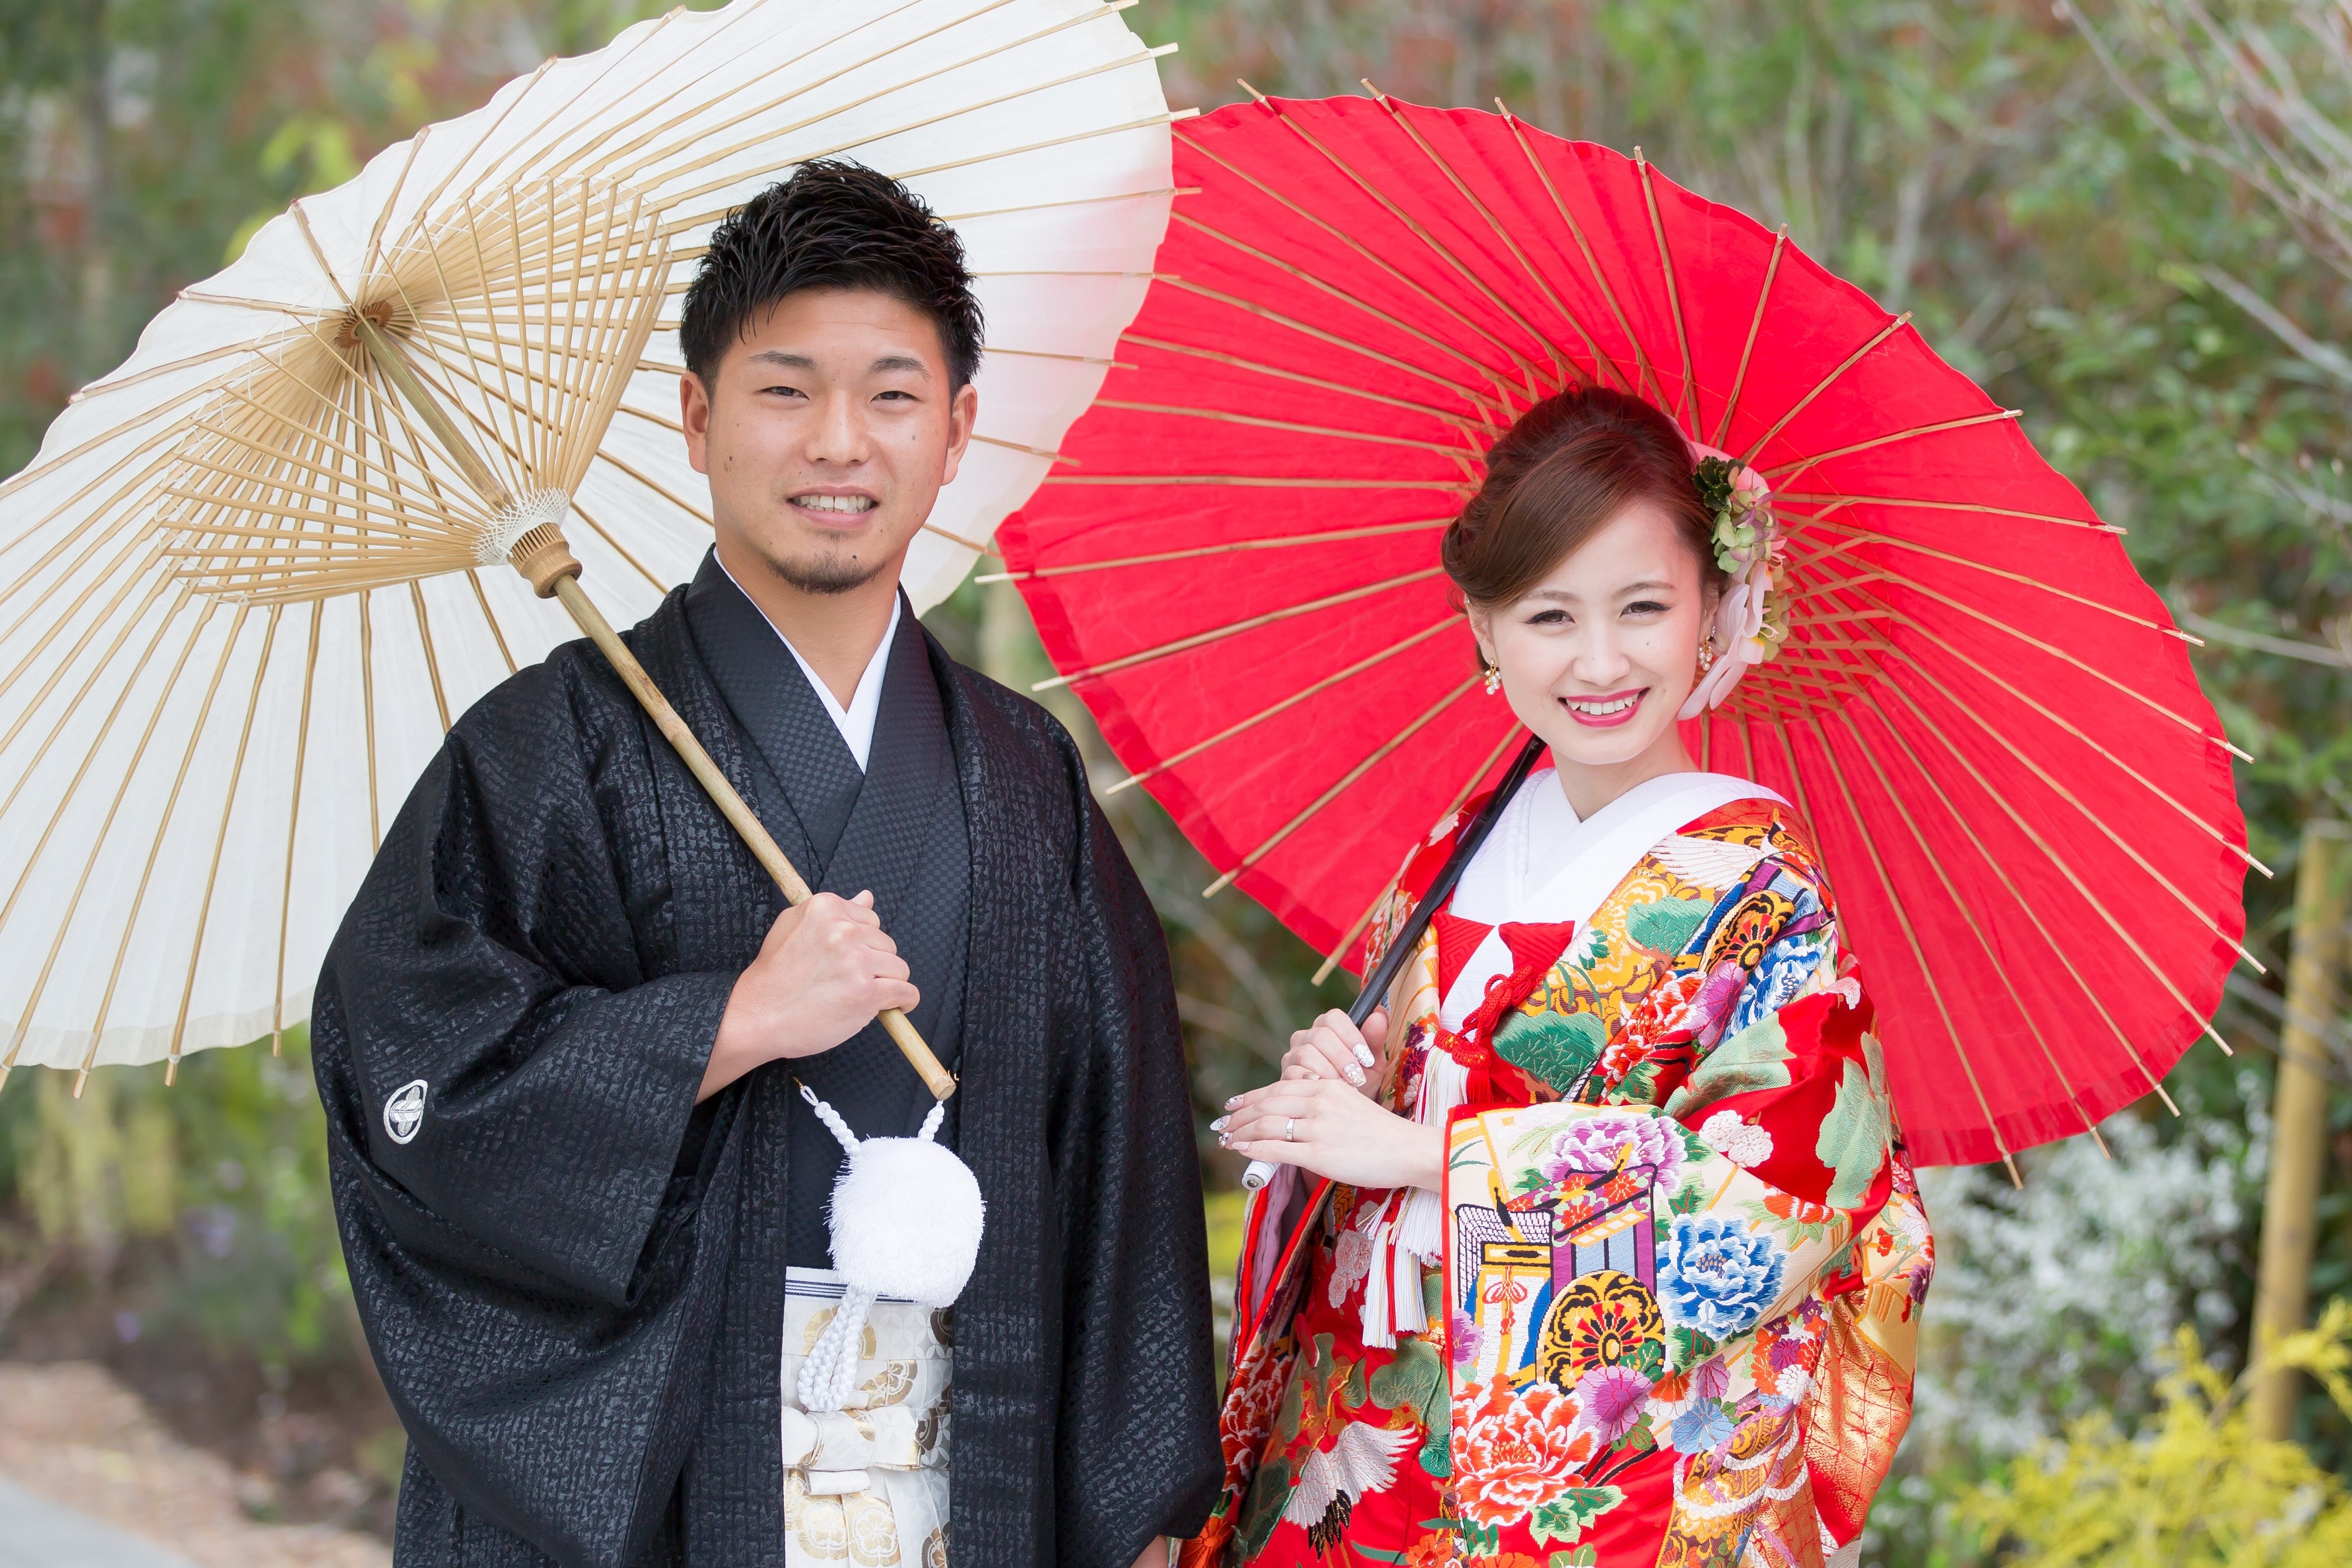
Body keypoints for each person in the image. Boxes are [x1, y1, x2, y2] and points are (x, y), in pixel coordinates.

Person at [311, 161, 1219, 1568]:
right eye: (785, 390)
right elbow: (415, 1091)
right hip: (676, 1483)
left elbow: (1121, 1161)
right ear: (698, 417)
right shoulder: (549, 750)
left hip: (965, 1471)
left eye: (892, 396)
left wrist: (1139, 1517)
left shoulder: (1023, 771)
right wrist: (726, 1025)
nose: (838, 443)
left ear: (957, 428)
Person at [1186, 389, 1934, 1567]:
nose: (1599, 662)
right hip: (1362, 1445)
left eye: (1643, 608)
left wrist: (1427, 1158)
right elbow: (1386, 1119)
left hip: (1601, 1481)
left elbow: (1781, 1207)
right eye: (1548, 615)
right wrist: (1342, 1081)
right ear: (1483, 627)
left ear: (1713, 612)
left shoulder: (1761, 885)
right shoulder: (1459, 844)